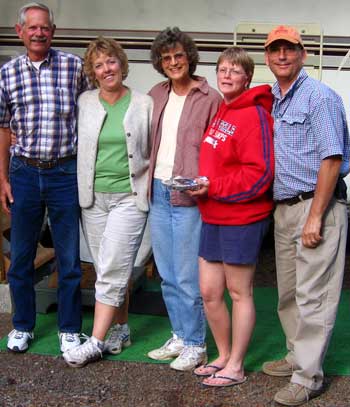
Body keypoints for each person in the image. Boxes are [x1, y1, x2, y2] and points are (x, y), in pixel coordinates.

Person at [262, 25, 349, 406]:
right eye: (275, 50)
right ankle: (297, 354)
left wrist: (316, 215)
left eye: (289, 49)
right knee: (290, 295)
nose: (282, 55)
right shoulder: (274, 99)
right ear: (267, 57)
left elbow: (332, 159)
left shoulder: (319, 97)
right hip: (285, 208)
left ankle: (308, 376)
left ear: (303, 54)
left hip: (318, 207)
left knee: (314, 296)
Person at [0, 2, 87, 353]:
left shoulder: (74, 67)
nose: (39, 33)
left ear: (53, 31)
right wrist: (2, 178)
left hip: (65, 171)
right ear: (20, 31)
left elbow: (92, 112)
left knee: (68, 257)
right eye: (32, 27)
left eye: (45, 27)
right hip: (23, 172)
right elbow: (3, 127)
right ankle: (22, 325)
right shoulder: (6, 74)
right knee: (21, 255)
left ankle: (69, 328)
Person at [62, 37, 153, 368]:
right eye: (99, 65)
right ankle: (121, 328)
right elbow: (63, 132)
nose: (106, 69)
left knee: (113, 267)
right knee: (109, 269)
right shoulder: (84, 101)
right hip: (92, 198)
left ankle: (95, 342)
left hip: (129, 198)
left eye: (111, 61)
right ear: (93, 71)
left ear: (122, 64)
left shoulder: (144, 103)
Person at [187, 47, 274, 386]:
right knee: (210, 292)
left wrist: (213, 186)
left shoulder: (253, 114)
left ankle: (236, 366)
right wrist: (202, 185)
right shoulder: (224, 110)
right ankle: (222, 355)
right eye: (222, 69)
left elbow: (260, 173)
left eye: (235, 71)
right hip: (213, 214)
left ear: (247, 78)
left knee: (239, 292)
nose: (226, 75)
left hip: (241, 216)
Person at [146, 27, 222, 371]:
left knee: (188, 274)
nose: (174, 62)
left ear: (189, 57)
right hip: (158, 192)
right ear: (160, 64)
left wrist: (207, 184)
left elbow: (218, 151)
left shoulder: (210, 97)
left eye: (179, 56)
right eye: (167, 58)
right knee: (167, 273)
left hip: (189, 197)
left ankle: (196, 343)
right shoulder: (155, 94)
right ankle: (179, 335)